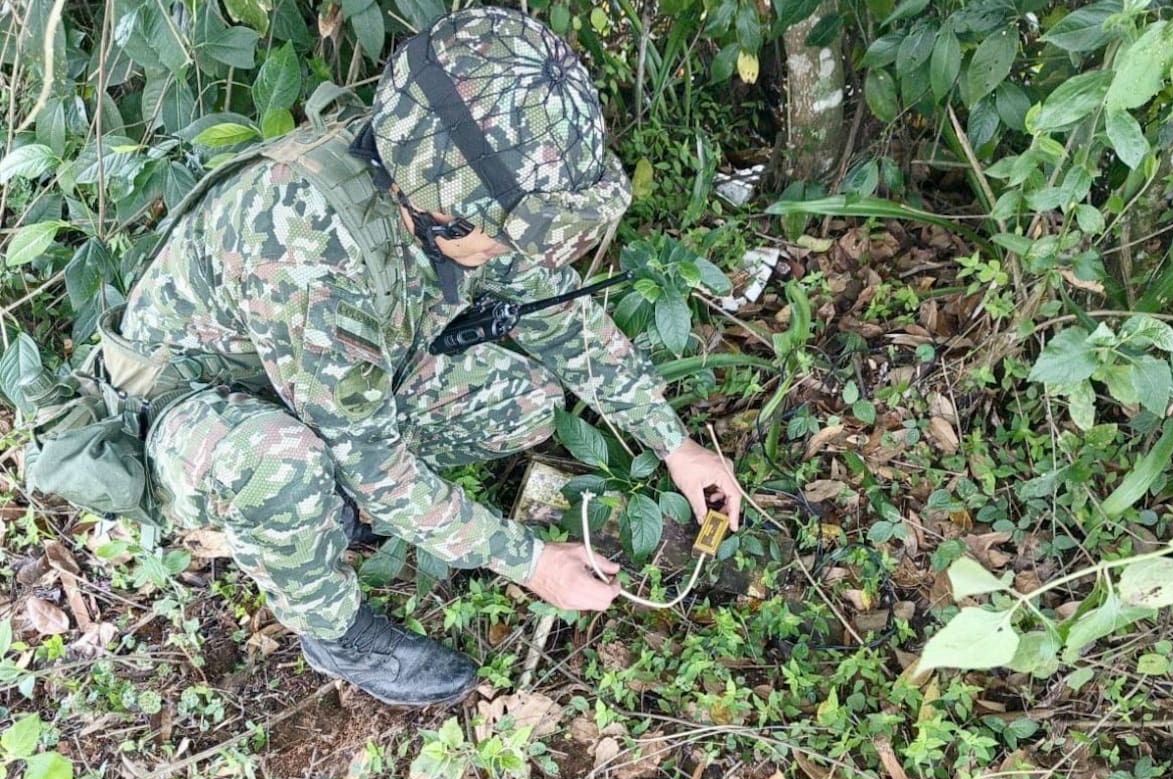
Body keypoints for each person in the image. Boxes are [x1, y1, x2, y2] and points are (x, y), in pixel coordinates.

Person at [117, 6, 743, 706]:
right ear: (441, 213)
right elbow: (375, 463)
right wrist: (531, 563)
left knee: (522, 399)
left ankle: (337, 510)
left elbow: (561, 312)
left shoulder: (438, 176)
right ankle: (334, 630)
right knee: (283, 462)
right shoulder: (311, 253)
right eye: (503, 241)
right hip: (198, 417)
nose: (512, 256)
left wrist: (674, 443)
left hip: (322, 377)